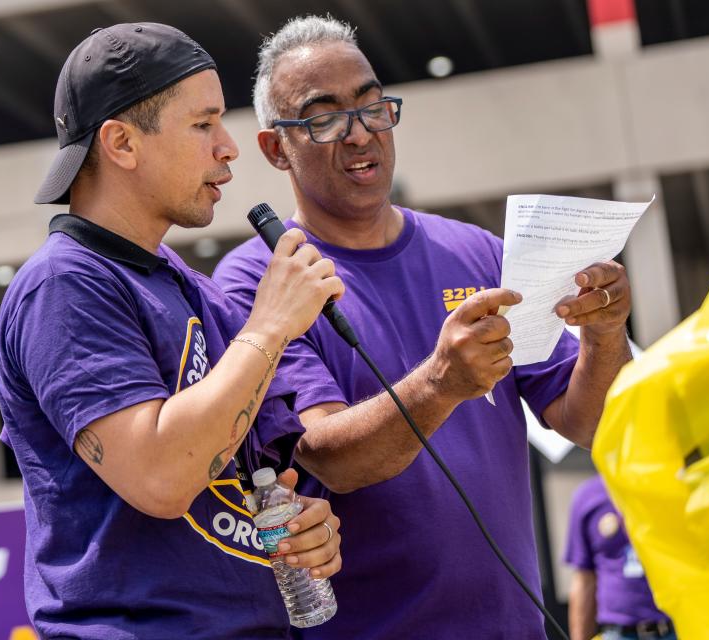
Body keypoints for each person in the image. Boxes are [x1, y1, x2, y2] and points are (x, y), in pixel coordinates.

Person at [213, 15, 634, 639]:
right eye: (324, 117)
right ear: (278, 149)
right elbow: (329, 458)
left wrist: (605, 334)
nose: (360, 136)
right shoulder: (260, 281)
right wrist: (441, 382)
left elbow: (591, 423)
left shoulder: (477, 252)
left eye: (373, 106)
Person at [0, 23, 347, 639]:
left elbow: (248, 478)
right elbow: (160, 479)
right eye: (203, 123)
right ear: (122, 143)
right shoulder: (63, 285)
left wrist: (305, 519)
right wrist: (270, 325)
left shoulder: (185, 282)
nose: (228, 146)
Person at [564, 475, 677, 640]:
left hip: (675, 628)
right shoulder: (588, 496)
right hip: (617, 633)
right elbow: (584, 579)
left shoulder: (670, 483)